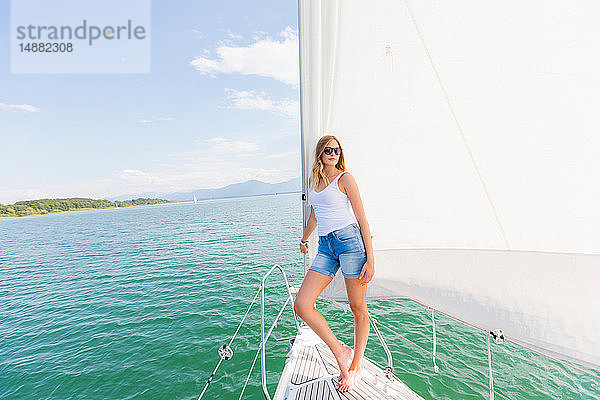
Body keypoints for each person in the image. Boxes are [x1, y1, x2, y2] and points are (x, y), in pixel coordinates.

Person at [294, 135, 375, 392]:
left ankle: (355, 367)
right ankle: (340, 351)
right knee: (302, 304)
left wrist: (370, 259)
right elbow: (315, 215)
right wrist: (305, 238)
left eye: (337, 150)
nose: (333, 153)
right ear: (320, 153)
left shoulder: (345, 179)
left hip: (351, 243)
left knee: (357, 308)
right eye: (328, 150)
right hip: (326, 246)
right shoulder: (315, 182)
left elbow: (362, 220)